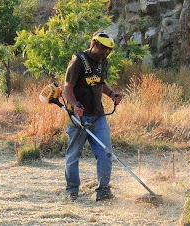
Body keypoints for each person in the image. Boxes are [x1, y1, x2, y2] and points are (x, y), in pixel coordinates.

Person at [63, 31, 123, 201]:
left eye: (108, 50)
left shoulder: (103, 60)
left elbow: (100, 82)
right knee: (74, 155)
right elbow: (67, 87)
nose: (104, 53)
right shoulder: (78, 61)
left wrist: (112, 94)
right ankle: (72, 190)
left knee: (105, 153)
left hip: (98, 115)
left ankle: (103, 191)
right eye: (102, 49)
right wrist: (75, 105)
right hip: (78, 117)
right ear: (93, 44)